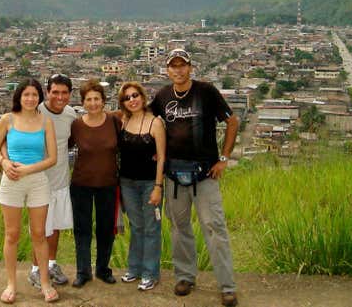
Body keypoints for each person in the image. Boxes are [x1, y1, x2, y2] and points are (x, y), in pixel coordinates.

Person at [149, 49, 240, 307]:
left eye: (182, 65)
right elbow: (145, 120)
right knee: (179, 229)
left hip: (205, 174)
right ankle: (185, 276)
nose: (178, 70)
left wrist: (224, 158)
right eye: (173, 66)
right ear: (167, 70)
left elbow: (232, 121)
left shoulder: (206, 92)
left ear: (190, 68)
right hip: (174, 176)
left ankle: (227, 286)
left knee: (214, 228)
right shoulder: (162, 96)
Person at [0, 78, 59, 304]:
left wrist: (29, 168)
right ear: (19, 97)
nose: (30, 99)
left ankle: (45, 283)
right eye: (26, 95)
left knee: (39, 234)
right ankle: (11, 284)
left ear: (40, 97)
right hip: (11, 180)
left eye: (34, 95)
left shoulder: (45, 122)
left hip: (37, 180)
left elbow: (52, 158)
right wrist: (4, 162)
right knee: (12, 234)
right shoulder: (7, 119)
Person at [69, 79, 120, 288]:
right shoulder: (77, 125)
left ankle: (103, 269)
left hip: (108, 183)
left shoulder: (114, 121)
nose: (93, 103)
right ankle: (83, 271)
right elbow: (63, 145)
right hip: (81, 183)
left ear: (103, 101)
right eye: (88, 99)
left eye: (96, 99)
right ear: (82, 102)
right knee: (82, 229)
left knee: (106, 229)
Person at [27, 74, 76, 289]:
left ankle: (52, 264)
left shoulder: (70, 114)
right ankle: (36, 270)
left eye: (64, 92)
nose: (60, 97)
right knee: (39, 230)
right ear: (47, 92)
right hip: (39, 182)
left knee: (55, 227)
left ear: (70, 94)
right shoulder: (36, 112)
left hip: (61, 181)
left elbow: (71, 142)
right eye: (55, 92)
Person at [117, 81, 166, 291]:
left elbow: (162, 158)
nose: (132, 100)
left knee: (151, 228)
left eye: (135, 95)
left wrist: (158, 186)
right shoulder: (123, 121)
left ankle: (150, 273)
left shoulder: (155, 123)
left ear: (143, 97)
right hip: (127, 182)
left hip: (149, 183)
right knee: (136, 227)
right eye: (127, 98)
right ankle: (134, 269)